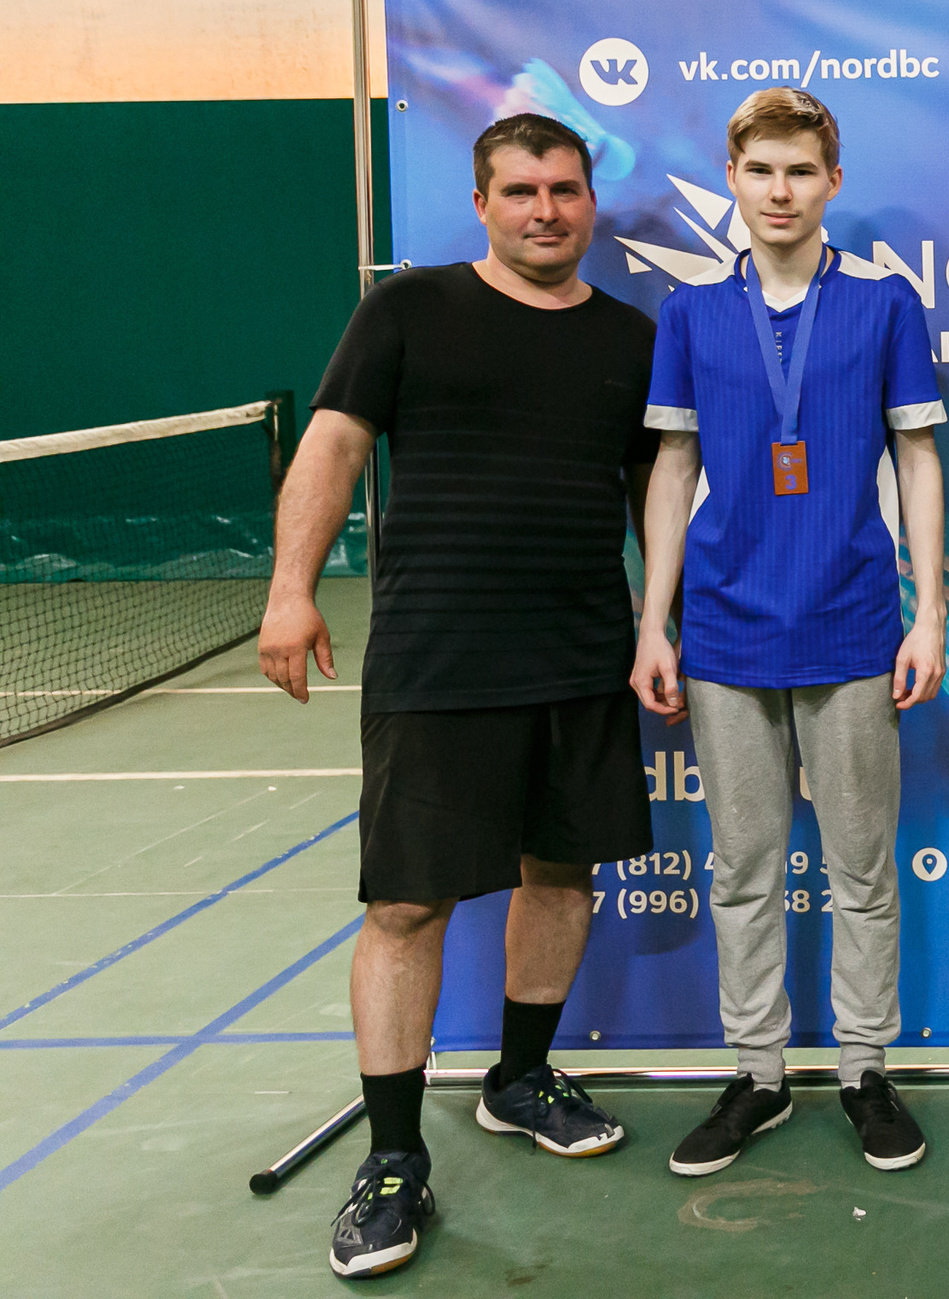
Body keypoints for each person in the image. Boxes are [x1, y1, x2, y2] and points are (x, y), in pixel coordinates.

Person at [259, 114, 658, 1280]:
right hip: (439, 661)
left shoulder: (633, 338)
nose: (547, 209)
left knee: (561, 873)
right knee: (404, 909)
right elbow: (332, 447)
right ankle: (392, 1160)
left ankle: (518, 1078)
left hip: (582, 659)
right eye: (522, 190)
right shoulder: (409, 310)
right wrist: (290, 591)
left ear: (592, 204)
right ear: (481, 202)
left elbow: (654, 502)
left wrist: (659, 629)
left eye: (567, 190)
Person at [631, 88, 946, 1177]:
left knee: (861, 866)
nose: (780, 191)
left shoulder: (883, 307)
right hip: (720, 628)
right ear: (733, 180)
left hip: (856, 620)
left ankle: (864, 1068)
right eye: (761, 170)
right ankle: (756, 1075)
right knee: (743, 867)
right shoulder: (690, 316)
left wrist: (930, 611)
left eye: (800, 172)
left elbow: (916, 458)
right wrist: (653, 626)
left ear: (832, 185)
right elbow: (672, 469)